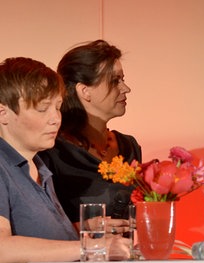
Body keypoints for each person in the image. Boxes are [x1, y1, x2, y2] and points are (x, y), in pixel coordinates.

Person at [0, 57, 130, 263]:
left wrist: (84, 230)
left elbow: (30, 229)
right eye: (42, 109)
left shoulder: (39, 169)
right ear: (3, 113)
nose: (54, 119)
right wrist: (92, 247)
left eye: (57, 108)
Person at [40, 40, 142, 226]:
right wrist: (87, 229)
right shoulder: (53, 151)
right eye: (115, 81)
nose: (126, 88)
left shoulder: (129, 147)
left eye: (123, 79)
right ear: (84, 91)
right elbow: (42, 228)